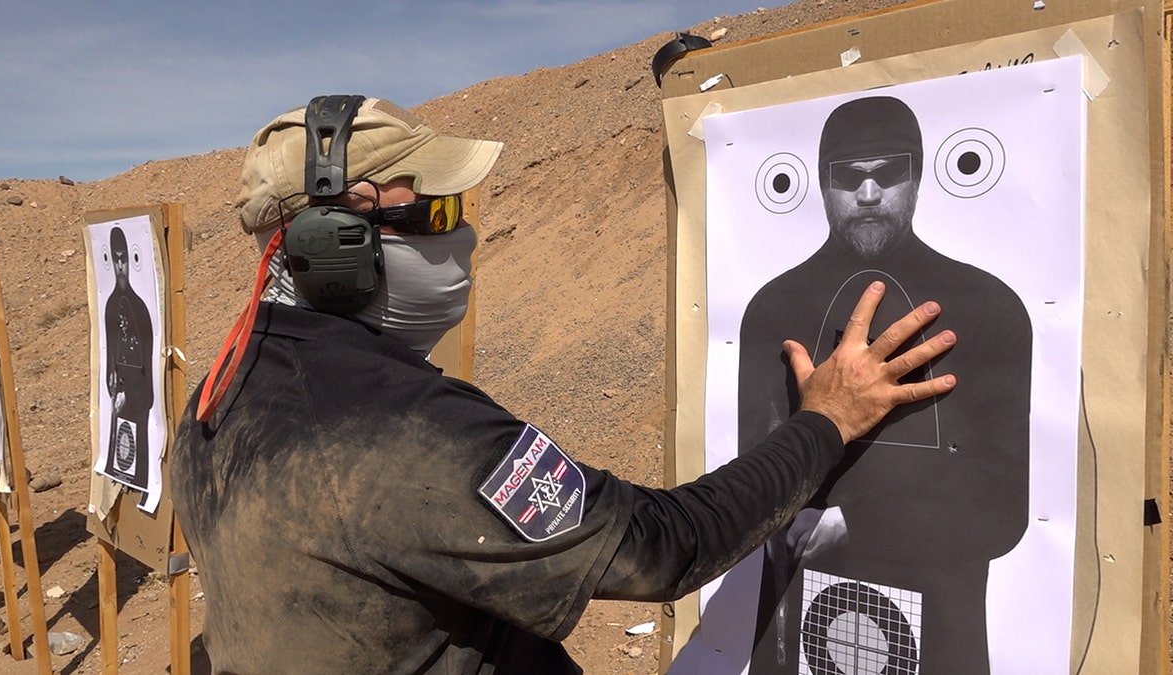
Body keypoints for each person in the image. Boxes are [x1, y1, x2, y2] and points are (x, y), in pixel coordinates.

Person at [170, 95, 960, 674]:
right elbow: (662, 547)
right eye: (435, 208)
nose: (460, 231)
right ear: (336, 245)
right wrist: (824, 420)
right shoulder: (407, 431)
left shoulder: (219, 394)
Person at [739, 96, 1032, 674]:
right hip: (795, 630)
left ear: (918, 178)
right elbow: (749, 474)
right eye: (849, 177)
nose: (868, 195)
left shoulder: (989, 308)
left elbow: (1004, 509)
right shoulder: (771, 310)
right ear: (823, 185)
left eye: (887, 173)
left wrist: (857, 517)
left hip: (937, 631)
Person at [102, 226, 154, 488]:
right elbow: (109, 350)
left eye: (124, 258)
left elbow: (148, 353)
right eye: (117, 258)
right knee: (122, 449)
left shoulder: (139, 305)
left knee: (140, 445)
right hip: (121, 388)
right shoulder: (111, 303)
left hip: (140, 389)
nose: (121, 265)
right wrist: (113, 387)